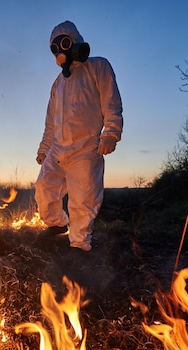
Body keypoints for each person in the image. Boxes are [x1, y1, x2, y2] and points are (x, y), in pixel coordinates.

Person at [34, 20, 123, 252]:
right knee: (44, 188)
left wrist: (111, 133)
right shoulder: (57, 84)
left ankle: (79, 245)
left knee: (83, 200)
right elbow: (51, 122)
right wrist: (44, 149)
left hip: (86, 147)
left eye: (64, 43)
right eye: (55, 47)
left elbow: (111, 102)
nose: (60, 50)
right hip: (58, 148)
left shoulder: (98, 67)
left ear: (75, 41)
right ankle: (57, 224)